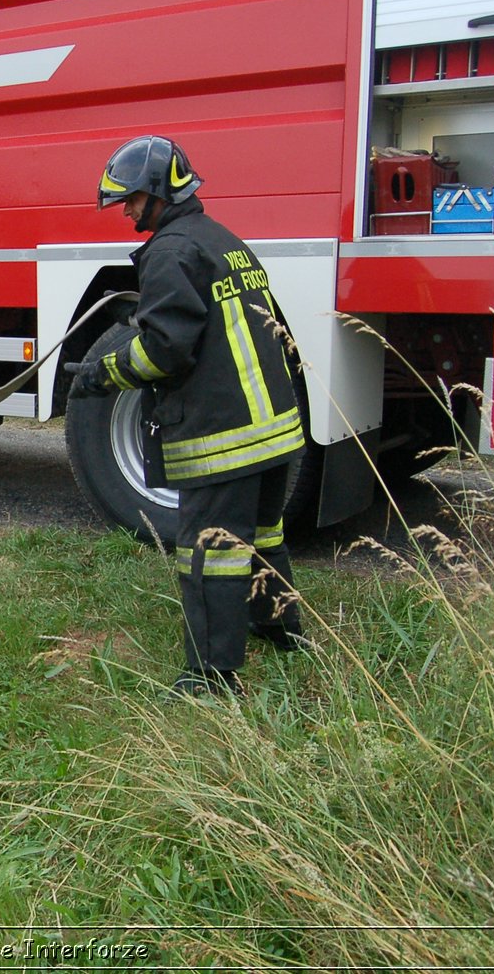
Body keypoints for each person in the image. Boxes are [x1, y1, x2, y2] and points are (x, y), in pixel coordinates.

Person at [70, 135, 307, 698]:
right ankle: (281, 631)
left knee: (211, 554)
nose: (125, 211)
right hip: (275, 429)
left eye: (130, 199)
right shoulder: (224, 241)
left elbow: (164, 352)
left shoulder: (170, 253)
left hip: (226, 436)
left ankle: (212, 676)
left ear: (157, 193)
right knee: (264, 535)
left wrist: (102, 373)